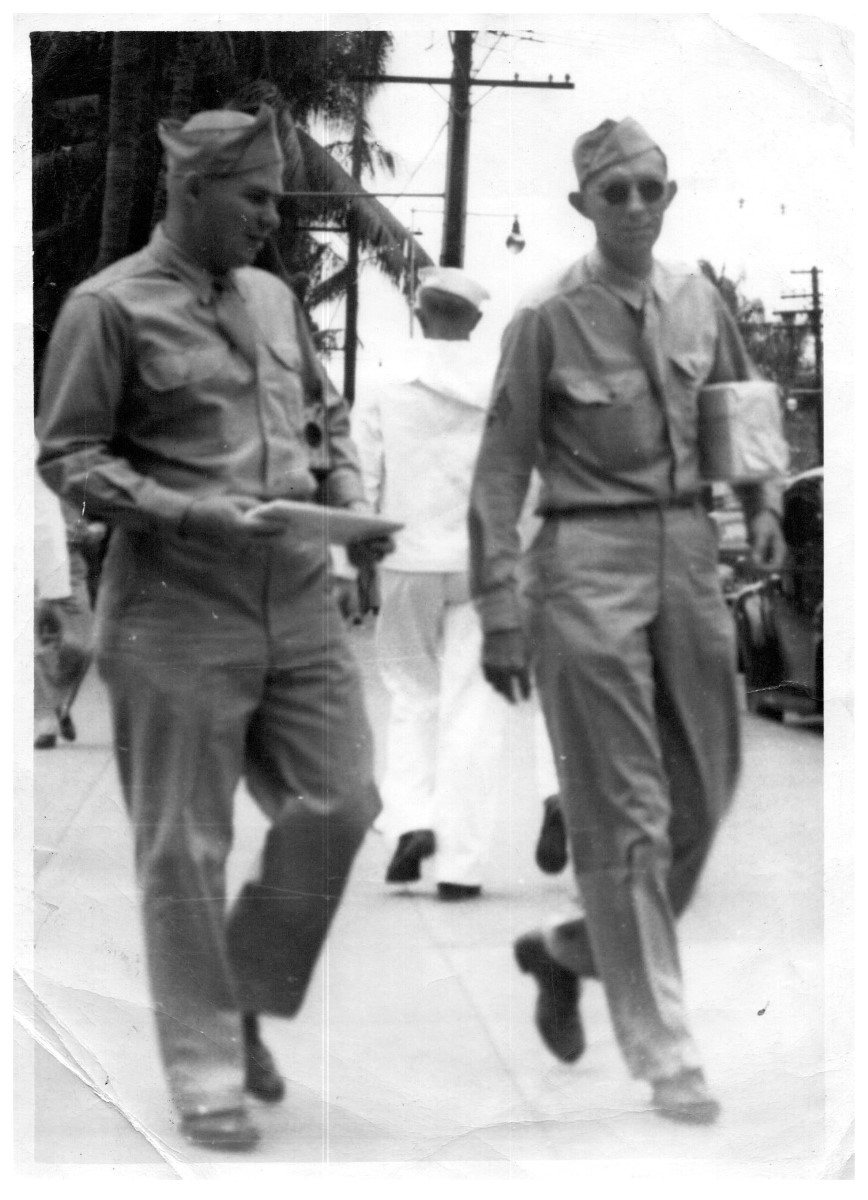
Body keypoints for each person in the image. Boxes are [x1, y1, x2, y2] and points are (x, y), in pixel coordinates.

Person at [37, 106, 391, 1152]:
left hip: (296, 592)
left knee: (343, 798)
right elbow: (71, 455)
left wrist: (349, 491)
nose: (274, 221)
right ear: (190, 190)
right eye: (257, 198)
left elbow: (320, 420)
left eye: (279, 197)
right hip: (173, 600)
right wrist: (189, 510)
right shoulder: (109, 308)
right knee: (184, 845)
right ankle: (205, 1070)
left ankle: (238, 992)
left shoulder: (278, 300)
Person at [468, 117, 787, 1124]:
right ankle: (665, 1054)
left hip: (690, 556)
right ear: (582, 206)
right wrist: (500, 611)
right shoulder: (546, 318)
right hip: (584, 561)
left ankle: (567, 953)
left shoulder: (699, 298)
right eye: (617, 194)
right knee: (626, 818)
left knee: (710, 785)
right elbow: (499, 471)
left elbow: (738, 406)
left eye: (653, 188)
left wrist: (765, 502)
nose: (638, 208)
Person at [352, 267, 559, 899]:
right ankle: (461, 866)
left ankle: (412, 819)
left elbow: (361, 470)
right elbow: (526, 472)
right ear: (474, 321)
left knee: (412, 694)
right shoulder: (502, 381)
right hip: (481, 562)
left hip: (406, 556)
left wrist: (357, 554)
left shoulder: (385, 378)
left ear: (419, 312)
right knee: (475, 705)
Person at [34, 460, 93, 749]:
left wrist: (87, 531)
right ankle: (47, 721)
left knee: (84, 645)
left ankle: (60, 705)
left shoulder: (69, 472)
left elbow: (94, 522)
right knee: (40, 645)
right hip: (32, 566)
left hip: (71, 567)